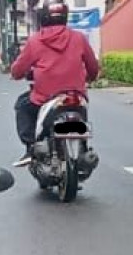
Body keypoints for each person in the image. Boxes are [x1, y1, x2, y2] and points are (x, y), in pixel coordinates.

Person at [9, 2, 100, 166]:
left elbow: (17, 70)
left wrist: (17, 73)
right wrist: (90, 77)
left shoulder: (35, 41)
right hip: (76, 95)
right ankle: (84, 148)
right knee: (81, 113)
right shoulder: (78, 38)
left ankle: (30, 148)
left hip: (45, 97)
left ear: (42, 17)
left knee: (22, 106)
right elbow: (93, 67)